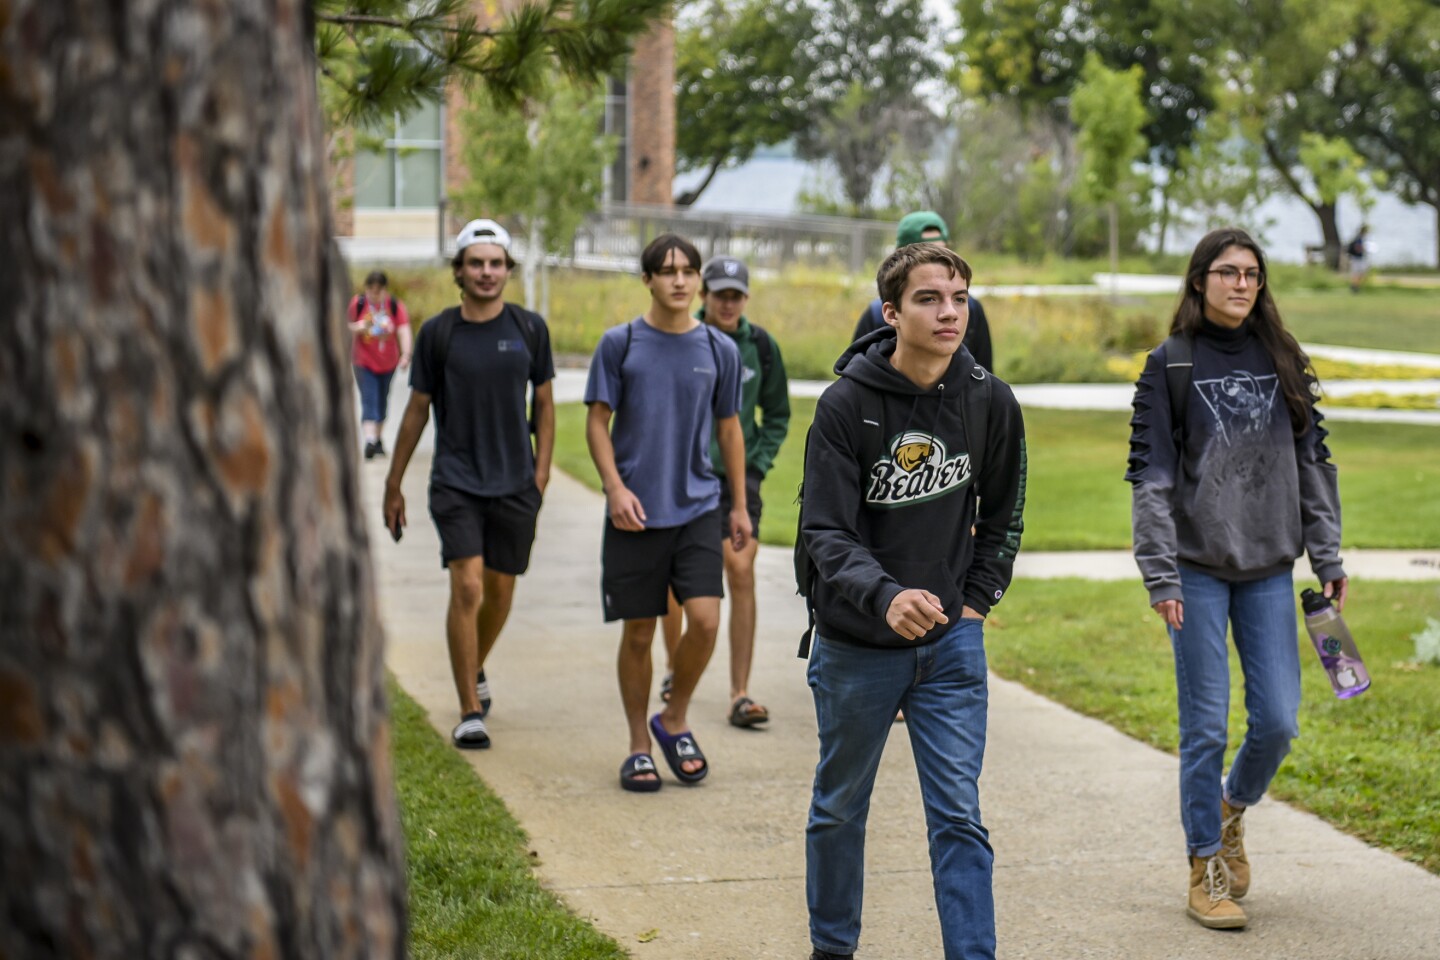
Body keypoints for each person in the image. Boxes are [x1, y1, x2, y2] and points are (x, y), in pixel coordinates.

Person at [799, 242, 1027, 960]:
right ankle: (832, 949)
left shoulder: (989, 399)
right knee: (840, 810)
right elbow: (823, 532)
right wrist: (884, 597)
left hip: (950, 645)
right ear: (891, 312)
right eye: (930, 298)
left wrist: (976, 603)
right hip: (855, 646)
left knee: (959, 815)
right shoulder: (845, 405)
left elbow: (1006, 515)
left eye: (960, 297)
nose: (949, 312)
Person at [1126, 227, 1346, 930]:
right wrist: (1159, 574)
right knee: (1204, 728)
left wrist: (1329, 556)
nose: (1241, 283)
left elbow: (1316, 467)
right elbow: (1151, 481)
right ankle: (1203, 867)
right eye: (1227, 272)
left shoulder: (1284, 359)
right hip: (1194, 571)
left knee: (1278, 720)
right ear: (1199, 282)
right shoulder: (1171, 365)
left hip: (1269, 570)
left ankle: (1228, 811)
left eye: (1252, 273)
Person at [583, 234, 752, 792]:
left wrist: (739, 505)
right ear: (648, 280)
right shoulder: (621, 342)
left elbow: (729, 429)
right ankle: (638, 746)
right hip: (634, 513)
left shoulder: (719, 350)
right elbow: (597, 422)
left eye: (688, 271)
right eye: (667, 271)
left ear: (698, 280)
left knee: (704, 620)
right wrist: (614, 489)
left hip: (699, 507)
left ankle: (672, 718)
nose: (679, 280)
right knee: (637, 633)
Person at [383, 219, 556, 750]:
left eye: (496, 263)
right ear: (458, 271)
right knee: (468, 586)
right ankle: (468, 707)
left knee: (501, 592)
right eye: (476, 263)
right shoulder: (440, 333)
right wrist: (393, 484)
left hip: (514, 482)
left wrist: (542, 471)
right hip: (456, 481)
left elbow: (545, 404)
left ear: (507, 269)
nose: (487, 272)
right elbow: (416, 412)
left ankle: (473, 664)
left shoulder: (529, 329)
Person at [657, 256, 791, 728]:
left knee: (740, 569)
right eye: (720, 295)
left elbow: (776, 416)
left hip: (737, 478)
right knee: (675, 582)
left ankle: (740, 691)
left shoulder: (760, 347)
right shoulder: (682, 338)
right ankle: (675, 668)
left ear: (745, 298)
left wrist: (754, 467)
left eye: (736, 295)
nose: (728, 303)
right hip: (681, 477)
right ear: (704, 296)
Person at [852, 210, 993, 374]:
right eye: (924, 253)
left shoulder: (972, 309)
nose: (950, 313)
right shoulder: (876, 314)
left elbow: (984, 373)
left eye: (943, 252)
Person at [348, 270, 413, 460]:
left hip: (388, 362)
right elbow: (342, 326)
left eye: (378, 290)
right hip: (363, 361)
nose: (374, 294)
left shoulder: (394, 306)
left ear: (384, 290)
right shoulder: (358, 305)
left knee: (382, 400)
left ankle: (377, 439)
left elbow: (404, 331)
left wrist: (406, 355)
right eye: (371, 289)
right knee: (369, 398)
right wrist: (358, 327)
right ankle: (369, 440)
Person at [1346, 225, 1370, 293]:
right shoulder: (1359, 239)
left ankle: (1355, 286)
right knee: (1358, 273)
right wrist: (1363, 249)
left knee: (1359, 273)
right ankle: (1355, 287)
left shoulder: (1358, 238)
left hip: (1357, 258)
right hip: (1357, 258)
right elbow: (1358, 248)